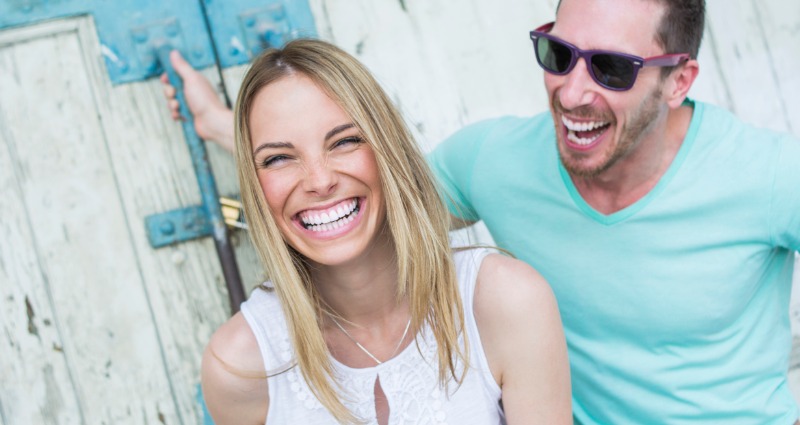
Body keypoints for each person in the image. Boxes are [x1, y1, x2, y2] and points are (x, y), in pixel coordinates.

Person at [162, 0, 800, 422]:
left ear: (679, 80)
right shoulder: (494, 161)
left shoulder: (770, 176)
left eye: (611, 68)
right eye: (558, 54)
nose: (573, 92)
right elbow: (362, 205)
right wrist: (224, 124)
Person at [194, 38, 570, 424]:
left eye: (345, 141)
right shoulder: (238, 368)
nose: (319, 180)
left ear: (387, 150)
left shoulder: (504, 303)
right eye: (278, 158)